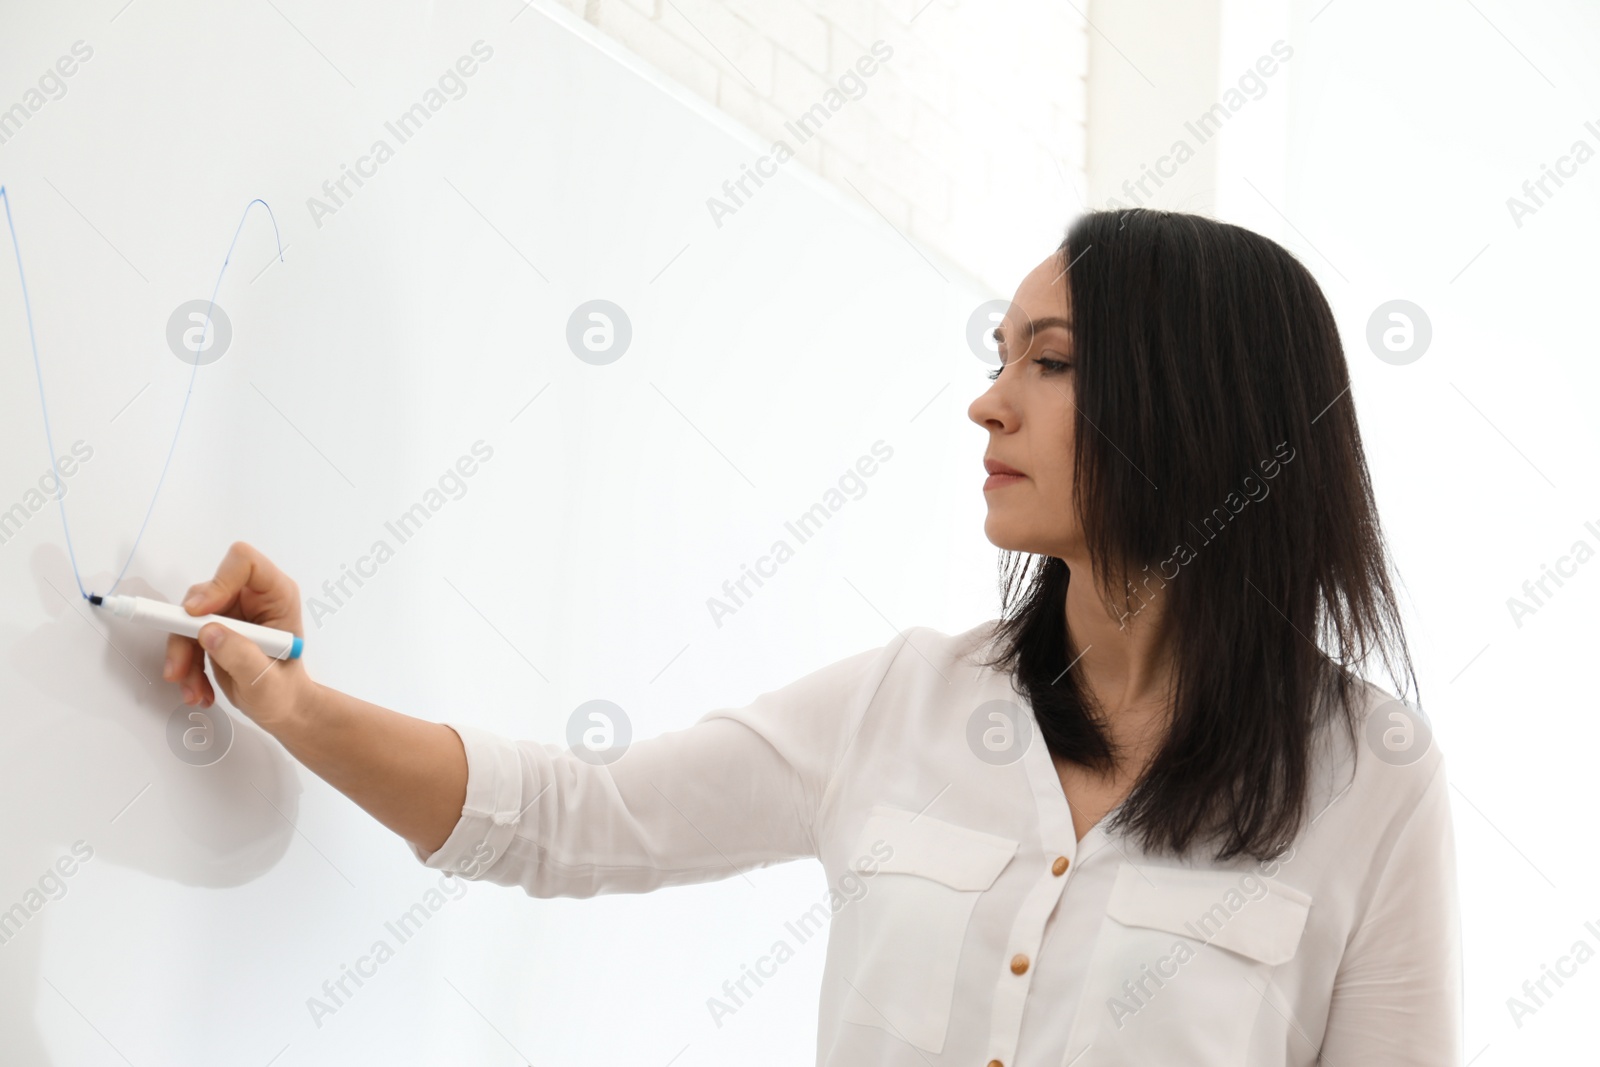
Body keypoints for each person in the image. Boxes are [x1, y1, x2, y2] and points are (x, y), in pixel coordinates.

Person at [163, 208, 1460, 1066]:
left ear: (1201, 404)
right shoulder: (905, 703)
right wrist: (293, 705)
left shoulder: (1374, 781)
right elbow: (570, 820)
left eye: (1047, 363)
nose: (986, 404)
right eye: (999, 356)